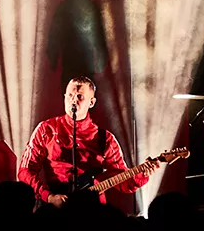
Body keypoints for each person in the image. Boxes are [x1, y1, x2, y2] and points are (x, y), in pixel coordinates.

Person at [18, 76, 159, 207]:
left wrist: (142, 174)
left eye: (80, 97)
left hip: (93, 210)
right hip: (56, 207)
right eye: (70, 95)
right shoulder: (46, 129)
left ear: (91, 102)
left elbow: (122, 180)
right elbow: (25, 171)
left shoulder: (105, 139)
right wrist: (48, 196)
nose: (73, 100)